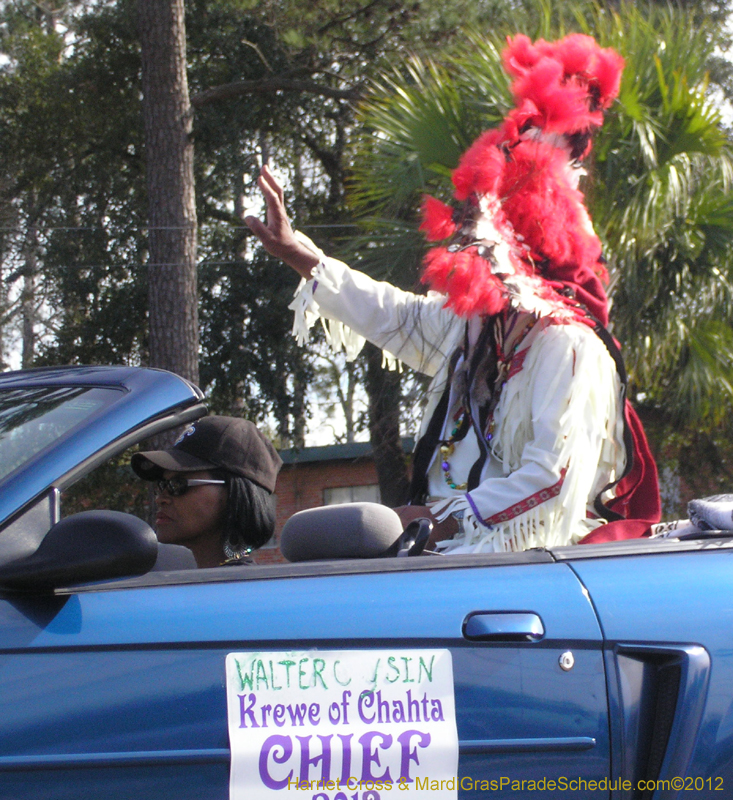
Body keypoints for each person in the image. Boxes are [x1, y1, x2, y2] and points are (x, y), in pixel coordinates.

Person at [245, 33, 661, 553]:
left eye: (485, 246)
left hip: (523, 563)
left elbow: (553, 478)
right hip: (449, 553)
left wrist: (441, 518)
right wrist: (300, 255)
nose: (470, 256)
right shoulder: (478, 328)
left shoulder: (567, 346)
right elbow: (396, 317)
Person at [131, 416, 282, 567]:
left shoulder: (240, 581)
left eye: (177, 485)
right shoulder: (194, 578)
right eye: (161, 485)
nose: (160, 499)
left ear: (233, 495)